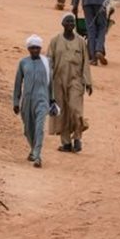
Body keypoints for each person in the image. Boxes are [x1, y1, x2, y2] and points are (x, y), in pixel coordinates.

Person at [48, 13, 93, 153]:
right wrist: (47, 80)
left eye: (72, 22)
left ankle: (78, 137)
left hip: (76, 80)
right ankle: (66, 143)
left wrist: (88, 82)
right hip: (58, 80)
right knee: (63, 112)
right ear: (62, 24)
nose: (70, 24)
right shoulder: (55, 41)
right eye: (67, 21)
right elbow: (49, 61)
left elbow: (86, 62)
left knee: (75, 109)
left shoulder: (80, 41)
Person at [13, 34, 53, 168]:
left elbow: (51, 83)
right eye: (32, 48)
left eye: (37, 48)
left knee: (39, 128)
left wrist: (52, 100)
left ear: (40, 48)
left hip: (42, 100)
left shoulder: (47, 62)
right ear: (29, 49)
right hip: (27, 101)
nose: (35, 50)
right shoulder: (23, 63)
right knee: (28, 129)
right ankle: (33, 149)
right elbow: (18, 83)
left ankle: (37, 155)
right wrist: (16, 102)